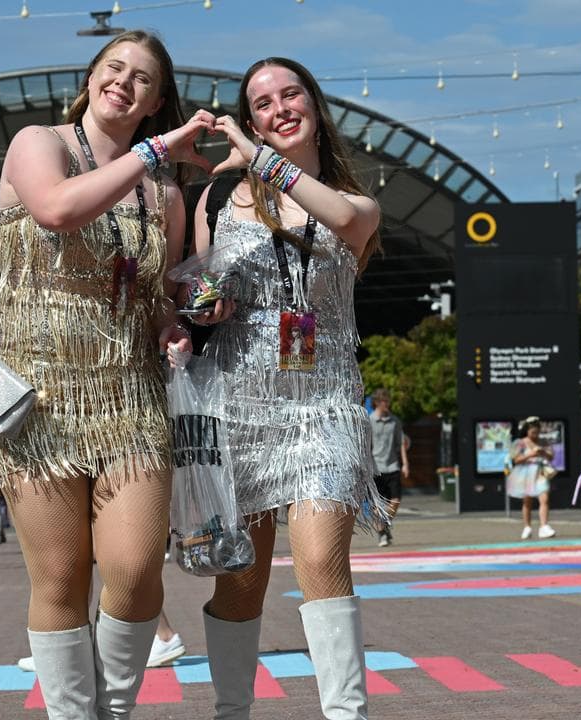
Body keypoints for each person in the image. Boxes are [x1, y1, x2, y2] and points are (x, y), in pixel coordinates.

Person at [0, 29, 208, 718]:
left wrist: (178, 322)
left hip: (130, 394)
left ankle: (107, 711)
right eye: (114, 68)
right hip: (36, 396)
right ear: (90, 77)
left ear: (156, 101)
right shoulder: (39, 143)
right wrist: (153, 153)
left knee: (137, 572)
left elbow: (158, 299)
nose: (124, 83)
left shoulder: (164, 195)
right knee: (59, 578)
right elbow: (56, 208)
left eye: (142, 78)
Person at [188, 57, 384, 720]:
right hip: (238, 407)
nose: (280, 109)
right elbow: (198, 288)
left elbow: (340, 216)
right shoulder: (218, 199)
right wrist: (204, 305)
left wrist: (260, 159)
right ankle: (231, 711)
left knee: (323, 559)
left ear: (314, 105)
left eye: (290, 94)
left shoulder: (354, 204)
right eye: (263, 104)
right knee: (240, 581)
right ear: (252, 121)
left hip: (324, 403)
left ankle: (347, 715)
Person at [368, 389, 408, 547]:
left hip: (392, 466)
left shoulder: (395, 421)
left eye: (388, 401)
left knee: (396, 501)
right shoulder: (369, 421)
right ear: (377, 402)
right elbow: (366, 446)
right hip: (375, 468)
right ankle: (382, 535)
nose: (388, 404)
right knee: (376, 506)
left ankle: (384, 525)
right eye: (385, 401)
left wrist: (405, 463)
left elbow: (401, 443)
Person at [507, 416, 556, 540]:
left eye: (537, 431)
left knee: (544, 498)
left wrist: (543, 453)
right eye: (532, 431)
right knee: (527, 501)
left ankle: (544, 526)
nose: (535, 434)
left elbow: (551, 456)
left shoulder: (543, 442)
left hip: (540, 472)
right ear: (527, 431)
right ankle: (527, 526)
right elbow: (516, 460)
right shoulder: (520, 443)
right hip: (526, 473)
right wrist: (530, 454)